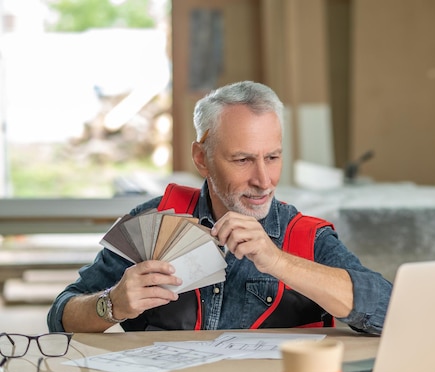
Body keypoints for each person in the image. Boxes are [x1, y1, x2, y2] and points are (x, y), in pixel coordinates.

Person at [47, 80, 392, 334]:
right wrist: (111, 304)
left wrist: (277, 260)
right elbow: (60, 317)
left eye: (272, 157)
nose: (263, 180)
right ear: (202, 158)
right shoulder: (151, 225)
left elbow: (390, 311)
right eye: (242, 159)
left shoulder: (305, 237)